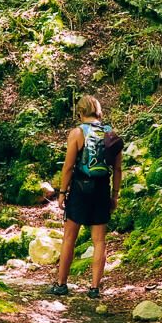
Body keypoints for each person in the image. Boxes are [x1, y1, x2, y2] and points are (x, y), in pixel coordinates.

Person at [48, 95, 122, 299]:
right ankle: (94, 288)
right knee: (99, 241)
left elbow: (68, 167)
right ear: (98, 111)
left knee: (69, 237)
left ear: (80, 112)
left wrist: (62, 193)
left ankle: (61, 284)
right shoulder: (111, 134)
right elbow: (117, 169)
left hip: (80, 189)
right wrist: (114, 195)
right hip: (101, 190)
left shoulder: (78, 133)